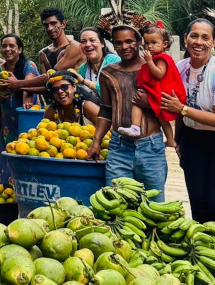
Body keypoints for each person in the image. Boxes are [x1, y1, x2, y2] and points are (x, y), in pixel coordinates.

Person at [163, 18, 215, 233]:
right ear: (185, 39)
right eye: (194, 36)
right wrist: (179, 141)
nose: (199, 42)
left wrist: (181, 108)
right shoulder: (178, 69)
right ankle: (205, 253)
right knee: (198, 206)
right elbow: (176, 110)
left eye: (205, 37)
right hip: (193, 140)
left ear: (214, 43)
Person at [87, 22, 168, 196]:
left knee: (154, 206)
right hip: (119, 147)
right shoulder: (108, 73)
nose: (124, 47)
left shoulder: (155, 69)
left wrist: (150, 103)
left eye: (129, 41)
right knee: (117, 204)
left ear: (139, 41)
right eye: (118, 43)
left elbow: (170, 105)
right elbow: (106, 110)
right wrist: (96, 142)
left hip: (151, 148)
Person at [118, 25, 186, 145]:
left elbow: (159, 74)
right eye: (147, 43)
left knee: (136, 102)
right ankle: (171, 140)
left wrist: (149, 61)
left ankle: (135, 127)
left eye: (154, 43)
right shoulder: (157, 57)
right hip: (158, 90)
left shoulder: (162, 58)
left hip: (159, 92)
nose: (149, 46)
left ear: (164, 44)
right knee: (161, 119)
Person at [0, 34, 40, 145]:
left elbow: (28, 88)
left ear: (19, 50)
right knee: (9, 152)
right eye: (4, 46)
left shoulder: (28, 66)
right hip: (8, 121)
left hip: (27, 116)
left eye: (11, 46)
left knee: (29, 147)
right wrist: (3, 90)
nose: (7, 49)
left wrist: (26, 104)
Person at [37, 8, 85, 73]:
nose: (50, 28)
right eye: (46, 25)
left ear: (63, 24)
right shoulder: (43, 53)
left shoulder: (76, 47)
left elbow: (54, 74)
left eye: (53, 23)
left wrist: (20, 83)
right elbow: (44, 80)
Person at [77, 27, 120, 95]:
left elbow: (112, 90)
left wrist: (84, 81)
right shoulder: (82, 69)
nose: (87, 44)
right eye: (83, 41)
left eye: (92, 40)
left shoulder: (114, 61)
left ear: (102, 43)